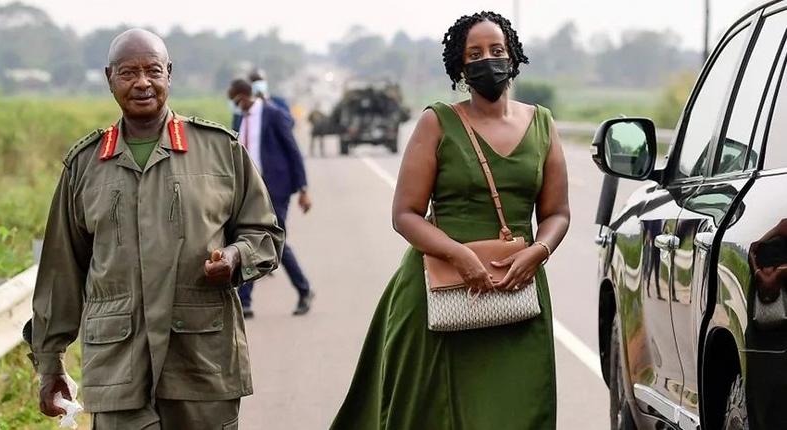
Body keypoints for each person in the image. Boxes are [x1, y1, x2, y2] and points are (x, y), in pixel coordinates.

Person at [29, 29, 284, 429]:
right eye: (129, 73)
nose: (142, 83)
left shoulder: (220, 149)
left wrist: (235, 258)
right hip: (117, 372)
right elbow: (61, 272)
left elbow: (265, 234)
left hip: (202, 366)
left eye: (152, 71)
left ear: (169, 73)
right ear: (109, 77)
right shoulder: (84, 165)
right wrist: (50, 364)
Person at [331, 11, 570, 429]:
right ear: (460, 67)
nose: (487, 60)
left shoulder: (542, 125)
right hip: (436, 292)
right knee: (427, 415)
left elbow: (557, 213)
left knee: (520, 413)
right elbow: (404, 214)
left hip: (518, 295)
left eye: (497, 50)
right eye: (474, 53)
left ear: (513, 56)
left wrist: (539, 250)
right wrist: (459, 256)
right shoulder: (436, 122)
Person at [228, 79, 314, 316]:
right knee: (251, 238)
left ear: (247, 95)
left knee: (273, 241)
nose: (236, 106)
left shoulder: (273, 115)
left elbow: (292, 150)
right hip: (250, 190)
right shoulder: (239, 119)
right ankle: (245, 301)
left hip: (277, 188)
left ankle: (303, 290)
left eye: (237, 101)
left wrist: (303, 189)